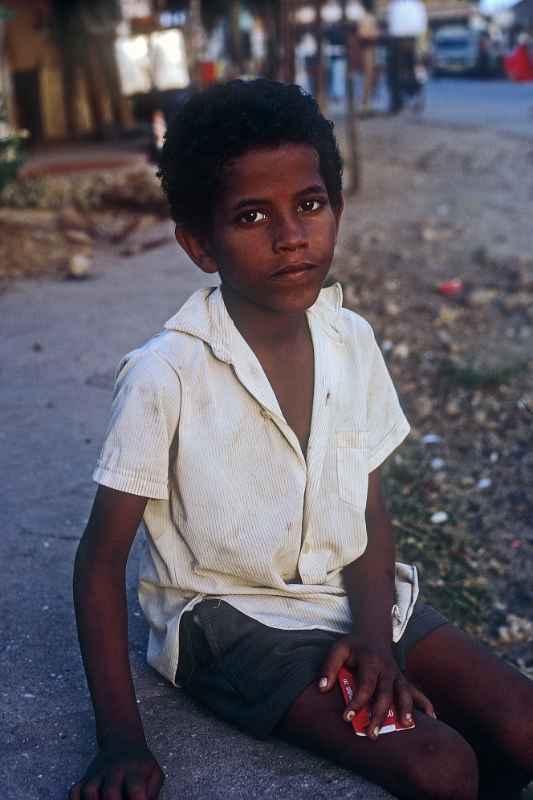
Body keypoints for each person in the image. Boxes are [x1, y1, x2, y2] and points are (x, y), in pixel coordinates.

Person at [69, 79, 533, 800]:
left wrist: (377, 641)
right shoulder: (167, 375)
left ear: (336, 210)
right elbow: (100, 565)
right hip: (231, 620)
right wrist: (121, 740)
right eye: (252, 215)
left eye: (309, 205)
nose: (290, 236)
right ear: (199, 244)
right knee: (440, 766)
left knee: (520, 724)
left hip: (349, 598)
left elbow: (368, 515)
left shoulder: (351, 341)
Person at [386, 0, 427, 113]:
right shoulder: (417, 5)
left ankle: (397, 102)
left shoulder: (394, 5)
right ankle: (416, 97)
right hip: (414, 41)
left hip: (397, 42)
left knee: (394, 73)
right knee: (417, 70)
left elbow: (390, 24)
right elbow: (423, 26)